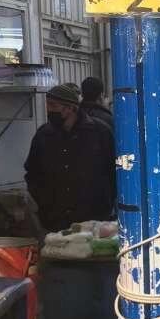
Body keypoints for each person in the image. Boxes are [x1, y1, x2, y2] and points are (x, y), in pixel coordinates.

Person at [24, 84, 116, 232]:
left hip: (93, 218)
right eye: (47, 104)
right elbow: (32, 172)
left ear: (70, 108)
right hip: (54, 219)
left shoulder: (99, 132)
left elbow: (113, 169)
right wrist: (43, 201)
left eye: (53, 105)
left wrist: (106, 203)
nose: (48, 109)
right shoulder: (44, 135)